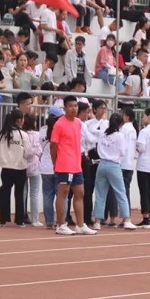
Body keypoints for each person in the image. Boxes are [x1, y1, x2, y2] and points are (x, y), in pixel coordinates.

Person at [50, 96, 97, 236]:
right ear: (65, 108)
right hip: (65, 164)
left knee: (80, 193)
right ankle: (60, 225)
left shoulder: (78, 123)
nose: (74, 108)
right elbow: (53, 145)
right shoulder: (59, 124)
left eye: (76, 106)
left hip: (76, 164)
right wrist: (55, 162)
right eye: (71, 106)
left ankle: (80, 225)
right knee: (63, 193)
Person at [92, 114, 138, 230]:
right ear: (120, 124)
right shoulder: (119, 136)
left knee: (100, 194)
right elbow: (122, 152)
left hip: (102, 164)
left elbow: (98, 147)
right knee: (121, 193)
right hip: (114, 165)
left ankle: (97, 221)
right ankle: (126, 219)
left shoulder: (103, 134)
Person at [0, 109, 33, 227]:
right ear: (19, 120)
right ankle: (20, 221)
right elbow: (28, 152)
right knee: (19, 195)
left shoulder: (3, 134)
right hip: (20, 168)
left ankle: (3, 220)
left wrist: (5, 155)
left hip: (6, 168)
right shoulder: (23, 135)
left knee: (5, 193)